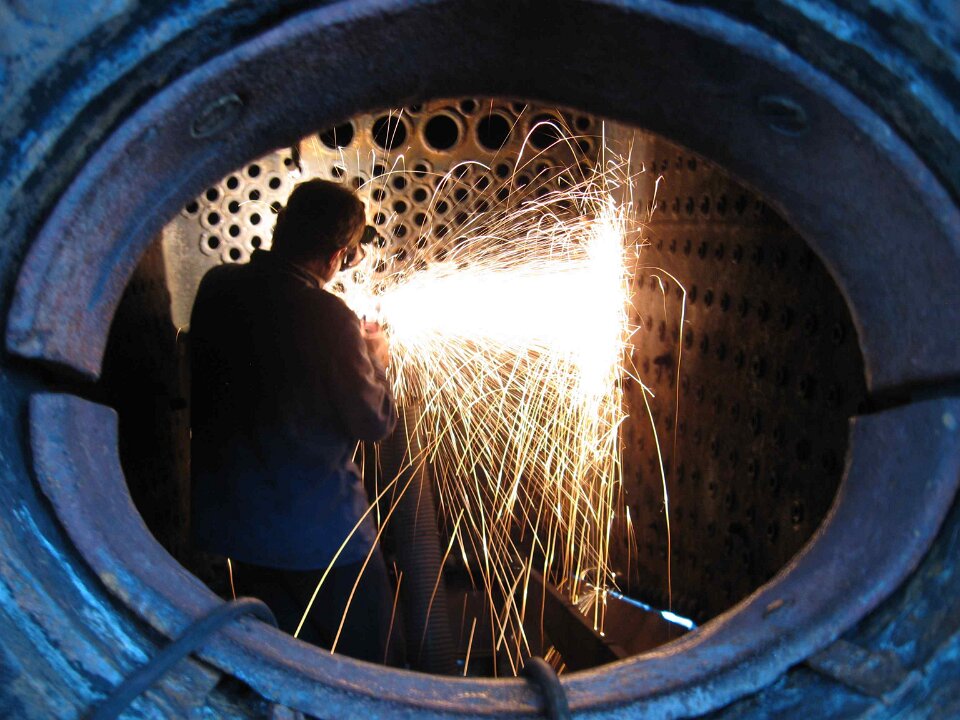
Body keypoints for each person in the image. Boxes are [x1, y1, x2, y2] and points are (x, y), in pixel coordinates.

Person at [189, 178, 402, 665]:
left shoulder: (217, 286)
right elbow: (374, 422)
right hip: (323, 540)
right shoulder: (329, 316)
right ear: (338, 256)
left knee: (279, 663)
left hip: (238, 532)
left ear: (283, 225)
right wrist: (375, 361)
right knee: (372, 666)